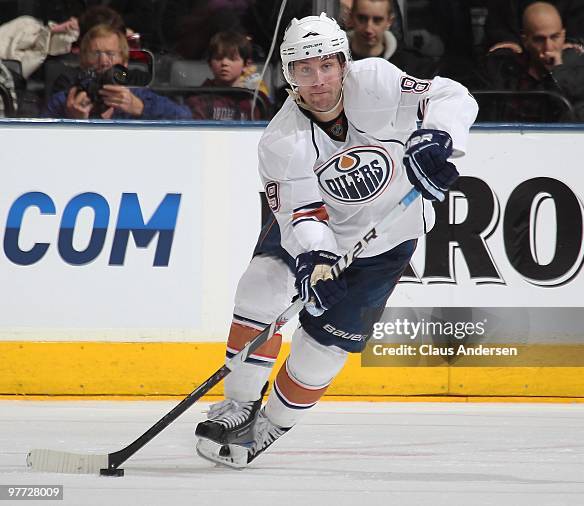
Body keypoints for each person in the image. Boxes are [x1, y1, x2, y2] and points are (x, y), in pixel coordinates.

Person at [194, 12, 477, 468]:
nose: (318, 79)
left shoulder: (379, 82)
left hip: (386, 242)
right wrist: (318, 256)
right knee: (262, 284)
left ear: (344, 63)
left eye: (326, 65)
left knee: (321, 353)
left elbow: (453, 95)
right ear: (288, 75)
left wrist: (437, 138)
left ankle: (269, 426)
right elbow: (303, 213)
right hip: (316, 237)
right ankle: (240, 404)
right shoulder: (280, 140)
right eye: (304, 69)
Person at [482, 1, 584, 120]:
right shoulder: (506, 74)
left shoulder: (581, 74)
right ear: (525, 41)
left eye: (555, 37)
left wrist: (559, 72)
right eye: (539, 39)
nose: (548, 47)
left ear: (564, 36)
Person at [43, 24, 191, 120]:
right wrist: (72, 120)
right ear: (82, 61)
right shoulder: (66, 100)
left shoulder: (137, 95)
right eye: (95, 54)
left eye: (110, 54)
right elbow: (39, 137)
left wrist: (140, 107)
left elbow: (186, 117)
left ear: (124, 62)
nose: (103, 61)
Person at [186, 30, 270, 120]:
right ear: (210, 63)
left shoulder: (256, 100)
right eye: (218, 58)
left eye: (232, 59)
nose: (224, 63)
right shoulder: (198, 98)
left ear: (246, 65)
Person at [347, 0, 437, 78]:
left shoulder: (412, 68)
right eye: (362, 18)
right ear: (351, 17)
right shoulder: (336, 61)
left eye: (377, 20)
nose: (368, 28)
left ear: (389, 21)